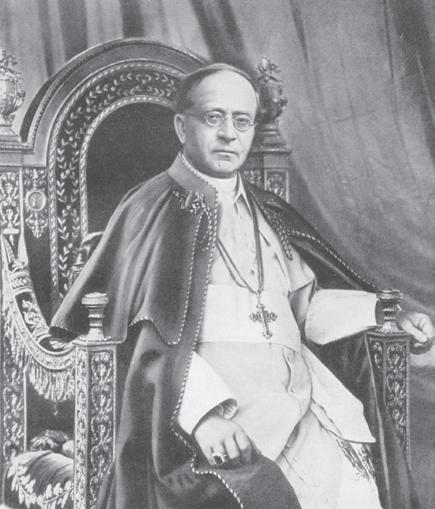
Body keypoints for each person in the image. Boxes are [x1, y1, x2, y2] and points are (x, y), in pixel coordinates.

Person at [51, 63, 434, 509]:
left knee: (356, 496)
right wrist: (204, 418)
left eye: (242, 120)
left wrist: (384, 314)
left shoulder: (268, 210)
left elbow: (305, 308)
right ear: (182, 127)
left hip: (303, 406)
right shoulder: (149, 210)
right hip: (215, 422)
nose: (229, 134)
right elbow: (143, 345)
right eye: (213, 117)